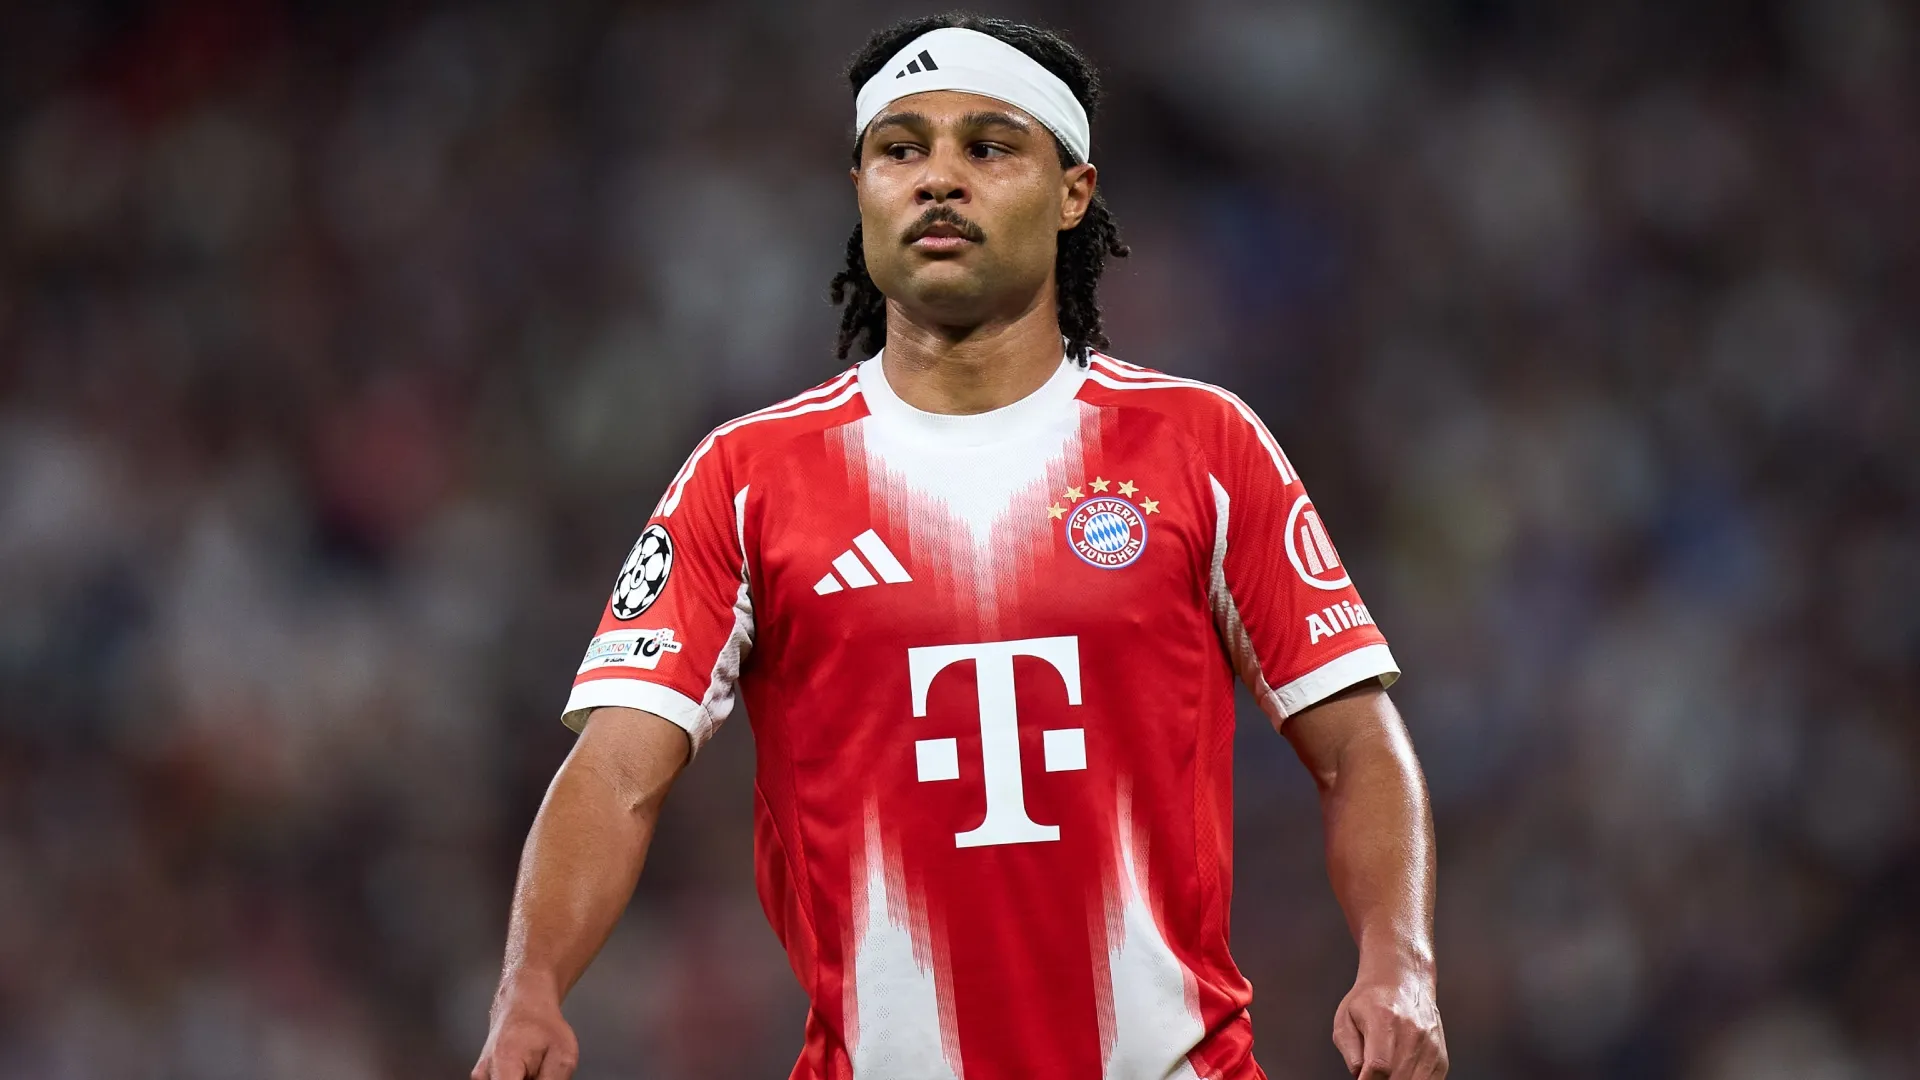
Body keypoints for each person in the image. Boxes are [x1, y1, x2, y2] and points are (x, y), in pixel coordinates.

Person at [472, 13, 1447, 1080]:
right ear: (859, 188)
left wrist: (1398, 961)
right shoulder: (745, 479)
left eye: (988, 146)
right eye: (902, 148)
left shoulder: (1203, 446)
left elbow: (1357, 744)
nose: (939, 178)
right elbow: (615, 768)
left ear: (1074, 191)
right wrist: (531, 986)